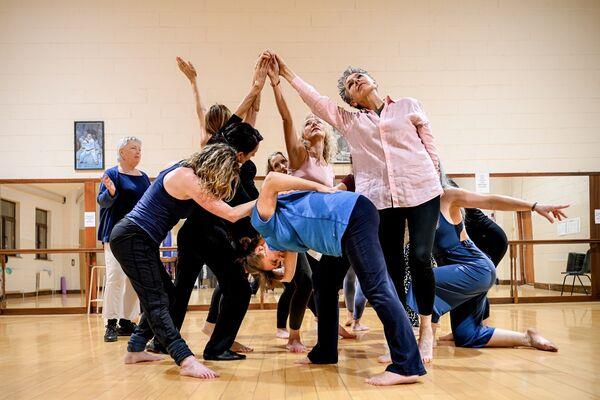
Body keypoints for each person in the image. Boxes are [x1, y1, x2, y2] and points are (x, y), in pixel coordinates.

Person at [274, 52, 442, 362]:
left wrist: (436, 180)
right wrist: (287, 73)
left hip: (422, 189)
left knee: (420, 256)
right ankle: (401, 338)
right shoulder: (351, 122)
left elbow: (430, 146)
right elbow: (318, 102)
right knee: (390, 269)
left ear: (374, 81)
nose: (356, 81)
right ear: (351, 100)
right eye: (350, 84)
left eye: (359, 77)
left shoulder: (408, 106)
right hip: (379, 199)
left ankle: (426, 332)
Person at [240, 171, 426, 386]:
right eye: (277, 265)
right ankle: (325, 351)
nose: (279, 262)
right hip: (340, 233)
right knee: (323, 284)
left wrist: (317, 186)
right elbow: (290, 276)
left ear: (261, 249)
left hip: (351, 217)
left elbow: (272, 180)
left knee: (376, 288)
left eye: (273, 262)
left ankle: (406, 365)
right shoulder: (282, 241)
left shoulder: (263, 223)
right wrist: (275, 274)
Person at [109, 143, 256, 379]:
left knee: (169, 295)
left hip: (139, 240)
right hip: (132, 237)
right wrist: (271, 197)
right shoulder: (187, 177)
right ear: (217, 166)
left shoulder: (181, 169)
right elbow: (231, 213)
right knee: (157, 301)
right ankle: (185, 359)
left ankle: (135, 349)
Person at [162, 54, 268, 359]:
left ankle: (162, 342)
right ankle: (216, 347)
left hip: (200, 231)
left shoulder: (232, 149)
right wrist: (254, 86)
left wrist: (257, 88)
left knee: (183, 290)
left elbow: (248, 117)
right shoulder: (216, 151)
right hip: (210, 230)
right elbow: (222, 116)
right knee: (234, 289)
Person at [391, 181, 566, 357]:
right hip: (464, 276)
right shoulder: (416, 210)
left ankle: (428, 337)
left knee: (423, 281)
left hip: (476, 268)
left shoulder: (447, 197)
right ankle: (527, 338)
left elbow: (490, 201)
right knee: (467, 336)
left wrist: (534, 206)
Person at [97, 136, 150, 342]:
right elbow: (103, 202)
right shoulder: (112, 174)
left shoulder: (144, 177)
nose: (138, 152)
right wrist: (110, 192)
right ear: (122, 153)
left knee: (134, 279)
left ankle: (126, 321)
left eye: (140, 148)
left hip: (137, 235)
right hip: (114, 234)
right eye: (133, 148)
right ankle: (110, 323)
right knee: (115, 277)